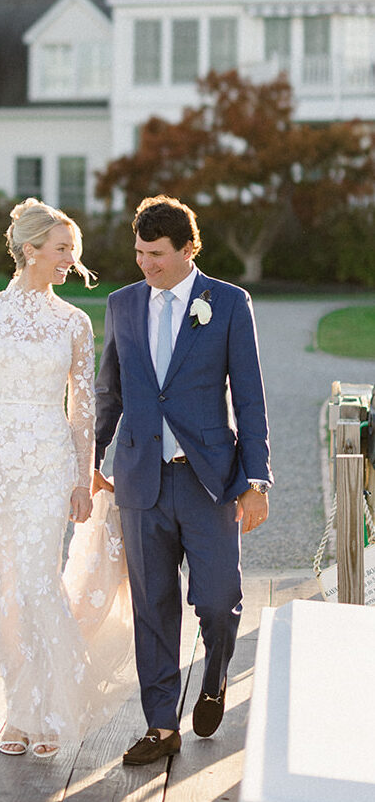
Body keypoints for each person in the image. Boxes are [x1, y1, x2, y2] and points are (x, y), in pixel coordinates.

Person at [0, 198, 133, 760]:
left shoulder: (74, 321)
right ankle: (17, 714)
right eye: (63, 249)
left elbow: (84, 408)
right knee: (5, 592)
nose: (71, 259)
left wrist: (81, 475)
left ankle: (49, 706)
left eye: (74, 250)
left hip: (49, 463)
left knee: (39, 583)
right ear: (31, 250)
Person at [94, 195, 273, 766]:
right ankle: (160, 726)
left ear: (188, 249)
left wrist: (255, 480)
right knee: (153, 607)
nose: (146, 265)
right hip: (140, 481)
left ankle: (215, 676)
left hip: (210, 481)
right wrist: (93, 462)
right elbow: (110, 392)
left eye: (158, 255)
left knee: (219, 600)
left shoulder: (227, 303)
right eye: (140, 253)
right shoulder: (122, 305)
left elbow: (249, 396)